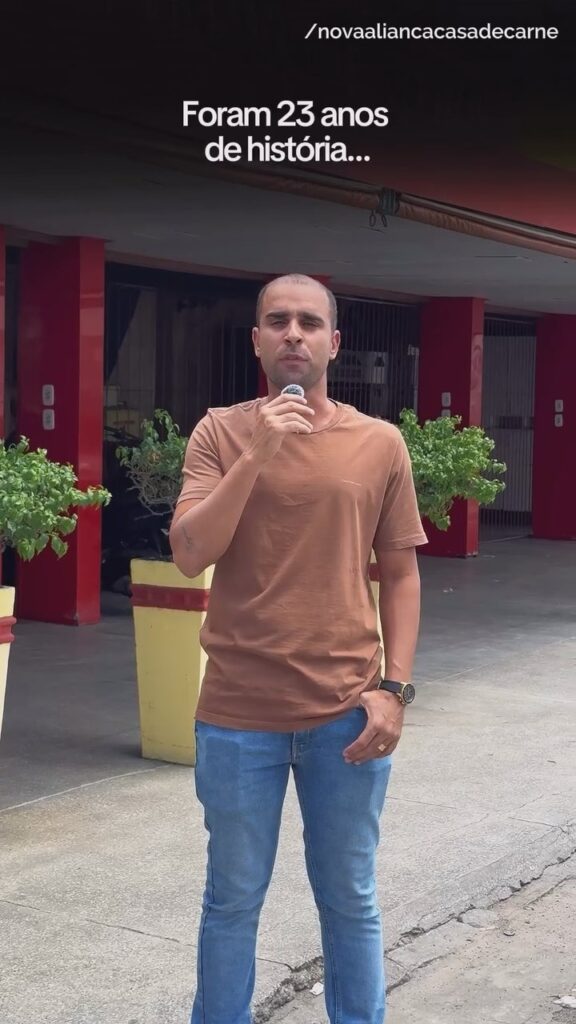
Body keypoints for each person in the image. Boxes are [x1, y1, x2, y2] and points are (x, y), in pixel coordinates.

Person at [170, 274, 428, 1024]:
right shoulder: (218, 433)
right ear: (256, 340)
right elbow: (189, 554)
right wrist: (258, 451)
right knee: (231, 899)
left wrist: (395, 690)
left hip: (346, 715)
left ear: (334, 343)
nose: (293, 333)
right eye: (277, 321)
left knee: (350, 897)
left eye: (309, 322)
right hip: (238, 713)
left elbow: (401, 574)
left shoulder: (379, 443)